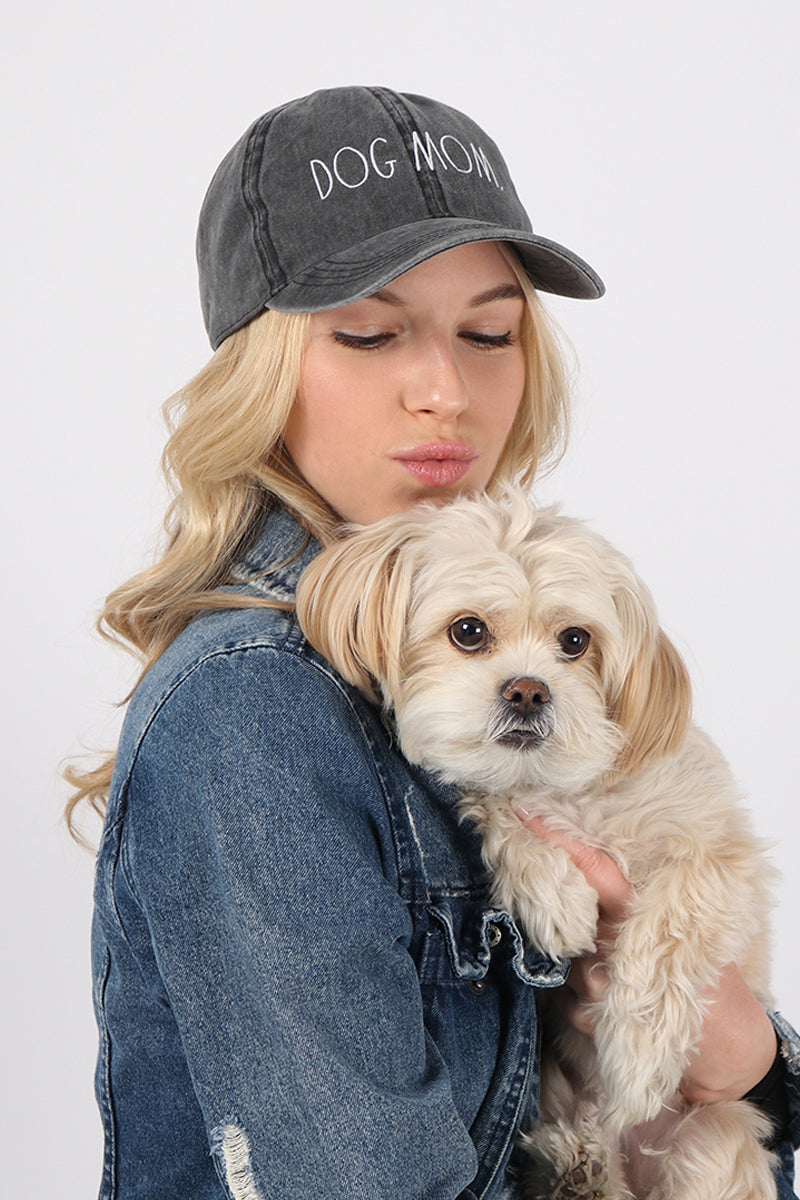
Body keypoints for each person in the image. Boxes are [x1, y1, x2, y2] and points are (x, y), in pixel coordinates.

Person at [67, 86, 799, 1199]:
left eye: (488, 332)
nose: (444, 392)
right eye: (368, 332)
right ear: (257, 370)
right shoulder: (255, 704)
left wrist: (751, 1065)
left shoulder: (525, 636)